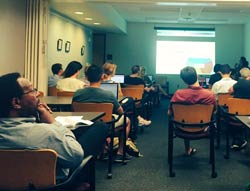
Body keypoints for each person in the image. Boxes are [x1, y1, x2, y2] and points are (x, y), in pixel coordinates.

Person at [0, 72, 108, 182]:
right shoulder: (46, 133)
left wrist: (36, 117)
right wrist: (53, 122)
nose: (37, 94)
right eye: (32, 91)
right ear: (16, 102)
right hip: (53, 184)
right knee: (100, 127)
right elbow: (76, 155)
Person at [73, 65, 132, 162]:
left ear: (87, 77)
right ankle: (120, 152)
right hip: (105, 125)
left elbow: (74, 110)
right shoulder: (108, 94)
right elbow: (121, 112)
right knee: (127, 120)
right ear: (102, 76)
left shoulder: (78, 93)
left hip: (84, 125)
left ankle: (103, 149)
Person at [168, 66, 216, 156]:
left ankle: (187, 149)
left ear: (184, 81)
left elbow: (169, 113)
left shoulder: (178, 94)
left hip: (183, 127)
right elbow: (214, 111)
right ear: (197, 75)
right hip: (203, 127)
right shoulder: (209, 95)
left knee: (186, 119)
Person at [102, 62, 151, 126]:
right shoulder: (115, 83)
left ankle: (139, 119)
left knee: (131, 102)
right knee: (130, 100)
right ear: (113, 71)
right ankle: (139, 119)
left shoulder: (98, 82)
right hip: (115, 106)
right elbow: (120, 96)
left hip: (102, 107)